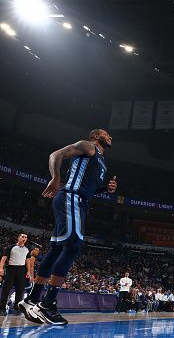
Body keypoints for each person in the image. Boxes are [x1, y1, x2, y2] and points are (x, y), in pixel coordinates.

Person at [19, 129, 117, 325]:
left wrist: (105, 188)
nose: (110, 137)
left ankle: (32, 299)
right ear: (96, 136)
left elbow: (88, 186)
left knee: (56, 250)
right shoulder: (89, 147)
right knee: (73, 246)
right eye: (106, 134)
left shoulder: (101, 162)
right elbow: (56, 154)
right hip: (70, 198)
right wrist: (55, 178)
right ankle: (47, 305)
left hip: (78, 201)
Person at [0, 233, 33, 315]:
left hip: (21, 270)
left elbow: (28, 260)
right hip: (11, 269)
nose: (24, 238)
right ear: (18, 238)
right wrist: (1, 268)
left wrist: (28, 271)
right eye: (22, 237)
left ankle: (16, 308)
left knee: (20, 290)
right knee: (6, 289)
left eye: (26, 237)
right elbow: (3, 258)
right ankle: (2, 308)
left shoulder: (27, 249)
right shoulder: (11, 247)